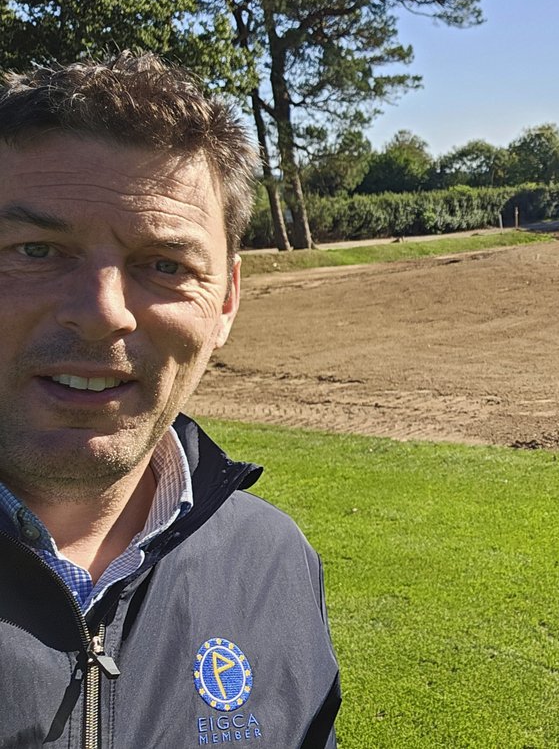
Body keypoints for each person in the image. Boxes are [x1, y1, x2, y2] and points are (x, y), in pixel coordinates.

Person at [0, 53, 340, 747]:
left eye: (165, 265)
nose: (102, 314)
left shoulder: (274, 564)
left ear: (227, 301)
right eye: (36, 250)